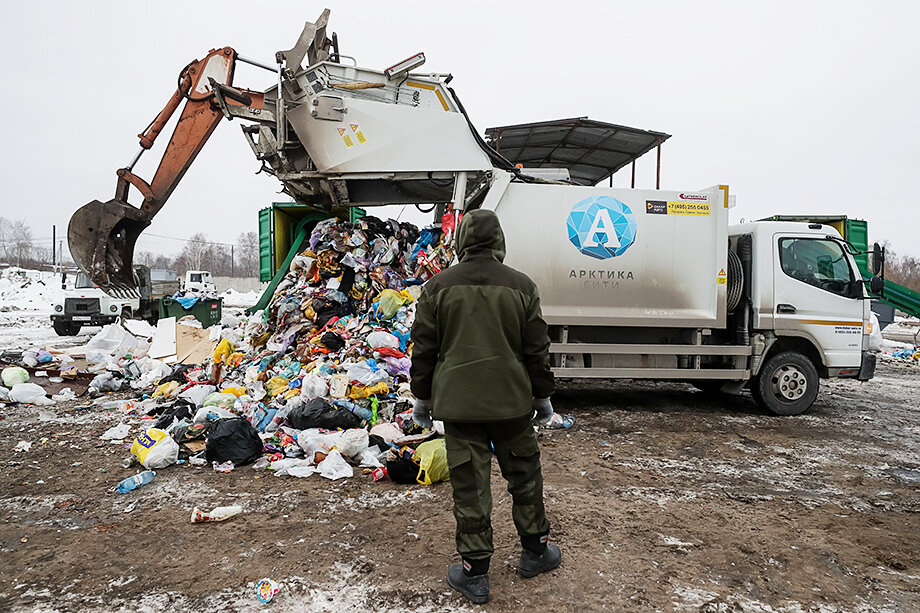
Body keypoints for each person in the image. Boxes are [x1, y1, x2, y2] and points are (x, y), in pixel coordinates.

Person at [410, 208, 561, 604]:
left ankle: (475, 574)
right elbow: (536, 349)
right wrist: (543, 396)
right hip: (512, 404)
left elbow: (424, 349)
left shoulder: (437, 288)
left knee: (470, 485)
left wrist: (421, 399)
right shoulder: (522, 286)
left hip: (459, 408)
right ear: (499, 242)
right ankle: (535, 552)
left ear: (461, 241)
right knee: (525, 476)